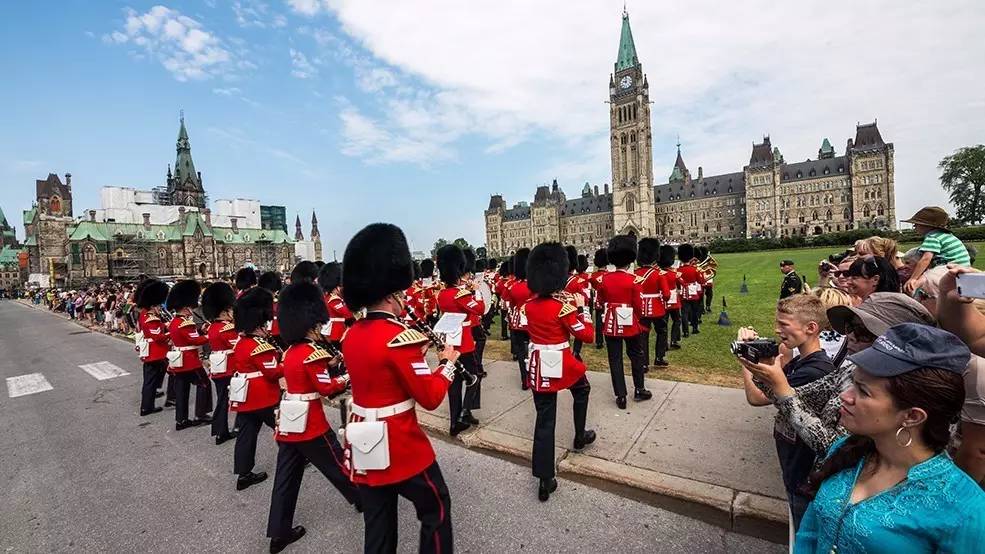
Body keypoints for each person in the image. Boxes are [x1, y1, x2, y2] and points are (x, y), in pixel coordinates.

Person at [795, 324, 985, 552]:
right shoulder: (846, 449)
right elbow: (810, 532)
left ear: (912, 416)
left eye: (863, 391)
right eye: (853, 383)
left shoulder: (965, 508)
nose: (845, 396)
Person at [341, 223, 458, 554]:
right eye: (402, 294)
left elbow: (379, 372)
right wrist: (447, 364)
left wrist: (414, 357)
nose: (405, 298)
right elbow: (431, 397)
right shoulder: (399, 339)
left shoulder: (352, 335)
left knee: (379, 527)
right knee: (436, 506)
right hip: (399, 442)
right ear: (392, 294)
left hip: (363, 440)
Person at [744, 293, 936, 456]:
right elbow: (793, 396)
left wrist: (780, 388)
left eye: (862, 331)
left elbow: (833, 447)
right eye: (849, 327)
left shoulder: (902, 391)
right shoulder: (852, 370)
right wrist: (763, 373)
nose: (849, 336)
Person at [265, 282, 361, 554]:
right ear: (311, 325)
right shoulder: (311, 354)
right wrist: (345, 377)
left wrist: (328, 365)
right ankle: (362, 498)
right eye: (318, 325)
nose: (321, 328)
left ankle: (279, 533)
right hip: (310, 423)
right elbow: (326, 388)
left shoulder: (290, 352)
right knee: (338, 464)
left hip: (289, 421)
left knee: (285, 478)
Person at [737, 294, 835, 530]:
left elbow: (756, 397)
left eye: (784, 324)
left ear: (811, 328)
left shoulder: (814, 371)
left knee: (802, 534)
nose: (777, 329)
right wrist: (760, 354)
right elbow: (772, 380)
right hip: (794, 465)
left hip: (803, 473)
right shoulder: (803, 362)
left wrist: (745, 359)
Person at [524, 242, 597, 501]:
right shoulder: (562, 308)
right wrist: (582, 308)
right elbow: (587, 336)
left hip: (538, 364)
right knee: (582, 389)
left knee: (545, 420)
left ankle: (545, 480)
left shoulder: (529, 306)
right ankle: (579, 435)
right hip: (561, 361)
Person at [909, 266, 985, 484]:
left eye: (923, 295)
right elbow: (977, 337)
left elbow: (977, 451)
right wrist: (949, 296)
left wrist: (954, 495)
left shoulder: (977, 368)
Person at [229, 287, 282, 491]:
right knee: (283, 427)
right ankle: (295, 459)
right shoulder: (261, 346)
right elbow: (273, 373)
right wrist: (287, 364)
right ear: (258, 325)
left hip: (245, 397)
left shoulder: (241, 343)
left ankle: (243, 474)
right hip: (263, 396)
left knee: (246, 435)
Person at [597, 235, 651, 409]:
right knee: (636, 355)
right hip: (630, 322)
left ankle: (621, 396)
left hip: (611, 322)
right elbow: (639, 307)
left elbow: (600, 301)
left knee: (615, 359)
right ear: (630, 260)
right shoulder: (634, 280)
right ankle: (639, 389)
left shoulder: (604, 279)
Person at [436, 244, 484, 434]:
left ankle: (455, 422)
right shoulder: (460, 294)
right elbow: (480, 309)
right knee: (475, 377)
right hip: (464, 344)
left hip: (450, 344)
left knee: (454, 384)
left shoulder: (442, 294)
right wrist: (476, 291)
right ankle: (464, 412)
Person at [166, 280, 213, 430]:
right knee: (204, 384)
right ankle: (200, 414)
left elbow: (188, 336)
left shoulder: (174, 322)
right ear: (186, 308)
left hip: (179, 361)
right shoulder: (186, 323)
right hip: (190, 361)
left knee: (182, 390)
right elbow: (195, 340)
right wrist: (210, 335)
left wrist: (201, 330)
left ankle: (181, 420)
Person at [201, 281, 238, 446]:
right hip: (229, 368)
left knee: (222, 400)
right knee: (228, 401)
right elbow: (237, 347)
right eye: (230, 310)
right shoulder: (226, 328)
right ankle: (223, 432)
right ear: (224, 312)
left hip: (217, 368)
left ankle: (219, 430)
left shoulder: (212, 327)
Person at [902, 206, 971, 293]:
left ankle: (912, 294)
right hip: (963, 267)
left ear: (927, 226)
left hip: (951, 267)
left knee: (924, 279)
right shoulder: (944, 235)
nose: (914, 226)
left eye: (917, 224)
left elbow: (925, 259)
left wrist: (913, 278)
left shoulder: (932, 237)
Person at [136, 279, 171, 416]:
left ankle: (148, 403)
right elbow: (158, 337)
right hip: (155, 352)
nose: (159, 308)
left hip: (152, 352)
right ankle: (147, 407)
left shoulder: (144, 314)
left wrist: (164, 326)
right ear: (153, 305)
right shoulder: (151, 318)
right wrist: (170, 332)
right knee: (151, 380)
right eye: (157, 306)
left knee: (150, 380)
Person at [635, 238, 671, 369]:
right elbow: (666, 295)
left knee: (643, 335)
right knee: (662, 331)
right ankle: (659, 357)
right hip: (657, 308)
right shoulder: (659, 274)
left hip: (641, 308)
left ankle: (644, 363)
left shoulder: (635, 274)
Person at [507, 248, 533, 390]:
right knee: (534, 350)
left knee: (522, 353)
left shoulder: (513, 286)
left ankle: (525, 380)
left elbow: (510, 305)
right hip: (532, 322)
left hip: (517, 323)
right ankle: (534, 377)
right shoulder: (534, 286)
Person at [317, 262, 352, 349]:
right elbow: (347, 313)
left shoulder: (331, 297)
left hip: (338, 329)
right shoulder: (333, 299)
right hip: (336, 331)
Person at [677, 244, 705, 335]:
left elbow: (677, 283)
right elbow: (700, 281)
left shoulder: (678, 270)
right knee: (694, 311)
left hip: (683, 293)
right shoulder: (695, 269)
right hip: (693, 292)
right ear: (690, 257)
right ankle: (695, 328)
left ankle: (685, 331)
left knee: (684, 313)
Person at [658, 245, 683, 350]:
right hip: (673, 300)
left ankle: (664, 344)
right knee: (677, 320)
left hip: (662, 300)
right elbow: (682, 283)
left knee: (664, 322)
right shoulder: (674, 273)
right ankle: (674, 340)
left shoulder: (659, 273)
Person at [590, 248, 608, 349]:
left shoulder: (593, 276)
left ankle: (599, 341)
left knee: (598, 321)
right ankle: (608, 338)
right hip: (607, 299)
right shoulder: (608, 275)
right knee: (607, 319)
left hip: (597, 300)